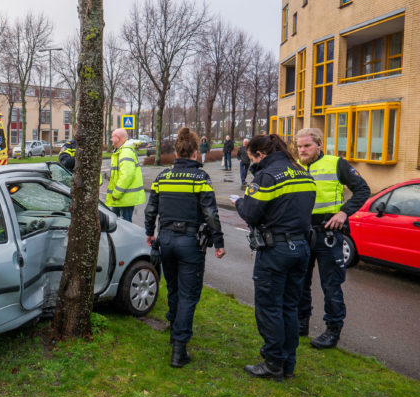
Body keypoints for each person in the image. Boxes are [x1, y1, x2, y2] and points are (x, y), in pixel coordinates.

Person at [233, 134, 316, 381]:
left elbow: (251, 213)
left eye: (252, 159)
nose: (252, 164)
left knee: (270, 308)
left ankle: (273, 363)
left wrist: (239, 203)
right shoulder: (303, 173)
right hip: (301, 247)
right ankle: (288, 364)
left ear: (261, 154)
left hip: (276, 251)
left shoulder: (267, 177)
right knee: (289, 307)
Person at [145, 127, 226, 368]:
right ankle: (179, 350)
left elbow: (151, 209)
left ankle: (174, 330)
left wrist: (149, 232)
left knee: (173, 288)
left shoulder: (162, 177)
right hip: (190, 242)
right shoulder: (200, 178)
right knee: (189, 295)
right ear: (194, 152)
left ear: (177, 152)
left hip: (166, 240)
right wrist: (218, 242)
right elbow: (210, 213)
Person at [295, 128, 370, 349]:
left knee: (331, 285)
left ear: (319, 145)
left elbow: (362, 190)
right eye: (299, 146)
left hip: (328, 233)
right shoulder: (294, 167)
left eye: (307, 146)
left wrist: (344, 212)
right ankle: (301, 323)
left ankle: (332, 331)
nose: (302, 150)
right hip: (302, 233)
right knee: (300, 282)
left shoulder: (336, 163)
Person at [105, 128, 145, 222]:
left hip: (124, 197)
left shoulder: (125, 152)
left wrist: (116, 194)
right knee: (116, 222)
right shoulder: (122, 151)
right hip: (122, 197)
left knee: (124, 224)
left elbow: (126, 176)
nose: (111, 139)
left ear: (118, 138)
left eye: (112, 137)